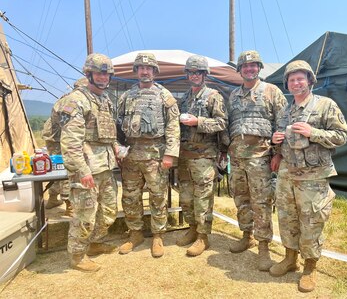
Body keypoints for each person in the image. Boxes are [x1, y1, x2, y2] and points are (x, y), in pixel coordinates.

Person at [270, 60, 347, 292]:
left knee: (311, 221)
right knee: (287, 218)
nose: (296, 83)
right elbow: (283, 139)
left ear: (310, 80)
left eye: (300, 78)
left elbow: (342, 135)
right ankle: (290, 258)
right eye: (292, 79)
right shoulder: (286, 110)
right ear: (287, 83)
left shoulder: (325, 105)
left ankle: (310, 267)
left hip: (313, 176)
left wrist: (313, 132)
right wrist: (275, 145)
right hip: (287, 174)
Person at [224, 50, 287, 271]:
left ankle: (263, 247)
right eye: (245, 66)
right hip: (237, 156)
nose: (249, 69)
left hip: (260, 156)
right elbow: (229, 124)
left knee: (261, 202)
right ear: (239, 70)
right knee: (241, 198)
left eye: (253, 66)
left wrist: (278, 153)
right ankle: (246, 235)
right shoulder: (232, 95)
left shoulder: (272, 92)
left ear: (259, 68)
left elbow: (282, 123)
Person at [59, 53, 119, 272]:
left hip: (105, 167)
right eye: (99, 73)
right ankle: (77, 256)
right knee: (84, 215)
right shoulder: (76, 100)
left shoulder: (104, 100)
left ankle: (94, 243)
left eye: (107, 73)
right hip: (86, 169)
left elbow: (108, 134)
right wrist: (82, 171)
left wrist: (116, 149)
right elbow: (70, 142)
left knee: (109, 210)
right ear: (88, 74)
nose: (104, 77)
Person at [117, 52, 180, 258]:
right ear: (136, 71)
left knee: (158, 196)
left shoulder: (164, 96)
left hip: (156, 154)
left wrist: (170, 154)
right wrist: (117, 148)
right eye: (141, 68)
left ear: (155, 71)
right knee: (130, 196)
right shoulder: (126, 96)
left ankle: (157, 235)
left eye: (149, 68)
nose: (145, 71)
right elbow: (116, 125)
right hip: (131, 156)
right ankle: (135, 233)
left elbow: (173, 127)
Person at [176, 55, 227, 256]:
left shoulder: (214, 96)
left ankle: (203, 237)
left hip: (204, 157)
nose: (194, 75)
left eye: (198, 72)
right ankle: (192, 228)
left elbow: (222, 123)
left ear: (204, 74)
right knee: (186, 197)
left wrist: (198, 121)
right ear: (187, 74)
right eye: (191, 72)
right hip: (185, 157)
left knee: (203, 198)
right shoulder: (184, 99)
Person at [42, 77, 88, 217]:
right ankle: (70, 206)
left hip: (53, 139)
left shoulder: (63, 99)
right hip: (61, 141)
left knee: (56, 171)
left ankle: (52, 198)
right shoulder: (73, 101)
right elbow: (69, 127)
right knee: (68, 171)